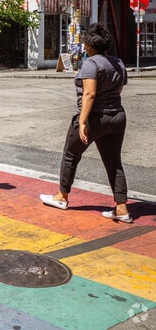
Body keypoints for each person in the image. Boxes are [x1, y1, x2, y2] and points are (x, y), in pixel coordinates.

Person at [40, 23, 132, 223]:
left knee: (71, 154)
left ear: (89, 45)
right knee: (113, 162)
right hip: (117, 116)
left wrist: (82, 121)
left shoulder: (91, 63)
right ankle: (122, 208)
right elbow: (119, 89)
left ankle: (62, 196)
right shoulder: (117, 62)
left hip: (95, 118)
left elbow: (89, 94)